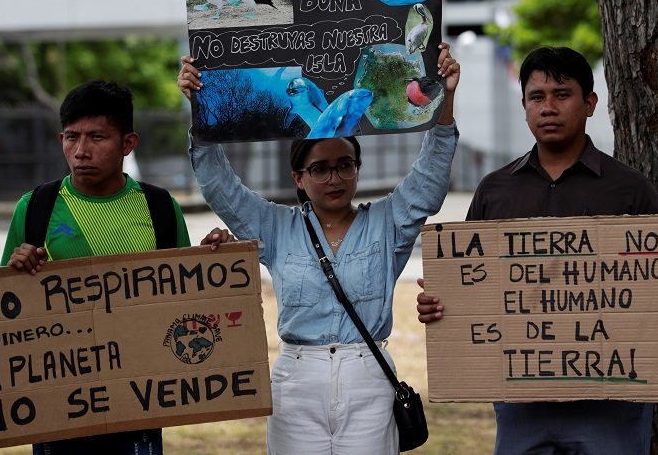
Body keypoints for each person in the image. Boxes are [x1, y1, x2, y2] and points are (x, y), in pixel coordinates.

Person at [178, 43, 460, 454]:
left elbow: (430, 179)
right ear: (298, 177)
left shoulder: (388, 223)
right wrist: (199, 106)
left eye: (345, 165)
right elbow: (221, 187)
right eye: (320, 169)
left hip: (369, 379)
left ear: (357, 169)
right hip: (296, 385)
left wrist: (447, 97)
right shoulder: (275, 226)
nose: (334, 178)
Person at [416, 46, 658, 455]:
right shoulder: (494, 190)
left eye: (562, 94)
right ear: (524, 106)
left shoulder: (629, 188)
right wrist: (441, 305)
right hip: (521, 405)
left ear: (590, 103)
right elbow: (469, 285)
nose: (548, 107)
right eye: (536, 97)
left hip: (611, 408)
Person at [1, 80, 231, 455]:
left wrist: (211, 261)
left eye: (97, 137)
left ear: (128, 144)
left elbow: (185, 305)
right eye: (71, 137)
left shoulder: (159, 208)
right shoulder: (35, 207)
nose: (80, 151)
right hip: (59, 407)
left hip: (139, 404)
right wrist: (17, 268)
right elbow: (2, 311)